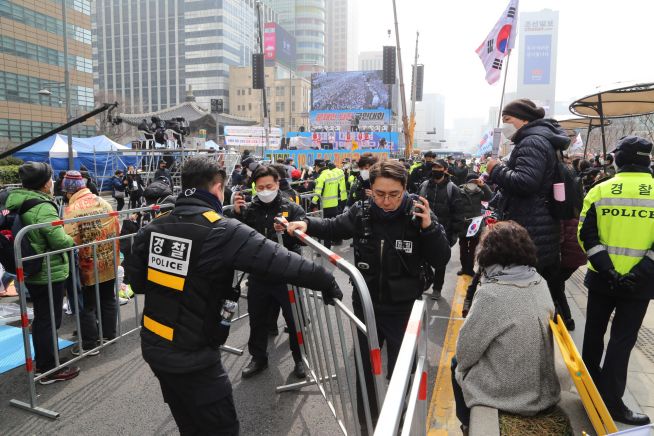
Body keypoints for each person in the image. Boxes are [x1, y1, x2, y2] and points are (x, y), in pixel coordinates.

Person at [124, 157, 343, 435]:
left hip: (155, 345)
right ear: (217, 188)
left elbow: (138, 283)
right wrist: (325, 280)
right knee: (220, 427)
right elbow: (283, 261)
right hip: (195, 354)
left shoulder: (155, 225)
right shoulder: (221, 229)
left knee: (188, 423)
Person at [286, 160, 451, 429]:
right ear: (370, 190)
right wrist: (307, 224)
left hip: (404, 310)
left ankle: (399, 423)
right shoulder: (361, 211)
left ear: (405, 189)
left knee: (402, 374)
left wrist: (429, 228)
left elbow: (441, 257)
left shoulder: (419, 212)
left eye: (394, 195)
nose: (386, 201)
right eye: (379, 194)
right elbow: (333, 226)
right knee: (365, 374)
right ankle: (368, 427)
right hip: (366, 307)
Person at [452, 221, 560, 432]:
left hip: (508, 393)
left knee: (455, 363)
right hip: (544, 386)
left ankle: (467, 423)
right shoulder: (539, 281)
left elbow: (465, 352)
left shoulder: (492, 293)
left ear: (487, 253)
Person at [578, 136, 654, 425]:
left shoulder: (599, 191)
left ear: (617, 159)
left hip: (601, 280)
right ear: (647, 159)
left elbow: (586, 235)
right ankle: (612, 404)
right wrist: (637, 273)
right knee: (621, 342)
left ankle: (587, 392)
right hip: (641, 285)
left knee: (593, 335)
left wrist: (608, 269)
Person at [486, 98, 568, 318]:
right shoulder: (540, 139)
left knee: (524, 301)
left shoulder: (532, 142)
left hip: (530, 231)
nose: (505, 125)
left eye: (508, 119)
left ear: (524, 119)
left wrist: (496, 170)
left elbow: (525, 182)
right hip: (538, 227)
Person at [228, 165, 307, 379]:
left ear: (278, 184)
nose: (264, 191)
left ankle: (301, 360)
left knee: (294, 320)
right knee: (257, 319)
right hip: (259, 275)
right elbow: (233, 233)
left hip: (287, 274)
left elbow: (304, 238)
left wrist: (290, 231)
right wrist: (235, 213)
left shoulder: (291, 208)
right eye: (260, 187)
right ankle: (258, 358)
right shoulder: (249, 209)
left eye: (269, 186)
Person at [5, 162, 78, 383]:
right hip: (48, 271)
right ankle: (48, 369)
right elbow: (57, 240)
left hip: (32, 268)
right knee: (48, 320)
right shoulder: (42, 206)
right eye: (51, 179)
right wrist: (71, 239)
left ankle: (47, 361)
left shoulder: (16, 199)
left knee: (43, 317)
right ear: (45, 184)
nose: (53, 182)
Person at [62, 171, 120, 356]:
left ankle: (90, 343)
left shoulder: (72, 209)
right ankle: (109, 335)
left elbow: (68, 239)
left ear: (69, 191)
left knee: (86, 304)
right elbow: (116, 226)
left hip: (87, 264)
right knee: (108, 298)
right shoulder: (102, 202)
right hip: (109, 259)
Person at [418, 159, 465, 299]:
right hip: (424, 230)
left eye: (439, 167)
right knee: (421, 259)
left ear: (445, 170)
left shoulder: (453, 189)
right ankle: (424, 282)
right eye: (434, 167)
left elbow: (458, 213)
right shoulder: (424, 185)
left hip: (443, 232)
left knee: (440, 262)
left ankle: (437, 289)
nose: (435, 170)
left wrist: (453, 236)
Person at [457, 174, 493, 277]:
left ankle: (470, 269)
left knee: (473, 249)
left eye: (474, 181)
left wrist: (483, 185)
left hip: (475, 225)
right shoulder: (459, 191)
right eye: (470, 181)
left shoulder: (480, 192)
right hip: (463, 224)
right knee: (463, 248)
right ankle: (464, 268)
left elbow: (489, 197)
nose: (472, 184)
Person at [311, 159, 343, 249]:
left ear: (317, 167)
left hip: (325, 206)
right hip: (334, 204)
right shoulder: (333, 173)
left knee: (324, 228)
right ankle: (330, 246)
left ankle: (325, 249)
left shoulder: (321, 177)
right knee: (332, 226)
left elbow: (318, 192)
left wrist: (312, 203)